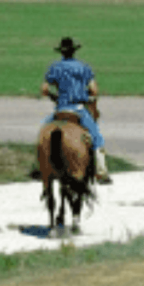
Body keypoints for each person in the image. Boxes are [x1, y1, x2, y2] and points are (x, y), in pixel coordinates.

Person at [41, 37, 112, 185]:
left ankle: (39, 167)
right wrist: (90, 98)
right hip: (78, 109)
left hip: (60, 109)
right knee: (97, 138)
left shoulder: (55, 67)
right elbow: (93, 90)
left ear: (61, 52)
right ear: (74, 51)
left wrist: (55, 98)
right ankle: (101, 171)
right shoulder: (84, 67)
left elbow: (45, 89)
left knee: (43, 134)